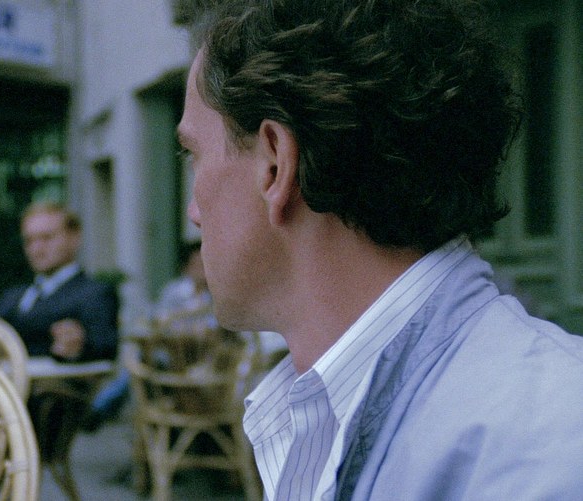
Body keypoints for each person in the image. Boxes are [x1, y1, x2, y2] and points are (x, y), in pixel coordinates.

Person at [177, 1, 583, 499]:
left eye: (192, 155)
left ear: (275, 165)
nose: (193, 213)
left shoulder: (548, 448)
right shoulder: (522, 425)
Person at [83, 239, 213, 431]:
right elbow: (158, 320)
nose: (201, 270)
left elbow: (213, 330)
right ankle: (99, 410)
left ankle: (100, 409)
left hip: (203, 362)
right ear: (186, 268)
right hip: (170, 357)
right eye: (196, 265)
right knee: (138, 364)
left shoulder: (215, 296)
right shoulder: (175, 291)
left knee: (139, 367)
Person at [0, 201, 118, 362]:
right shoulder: (12, 298)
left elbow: (103, 346)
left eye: (47, 238)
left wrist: (79, 348)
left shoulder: (95, 294)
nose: (36, 249)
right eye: (29, 240)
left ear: (74, 238)